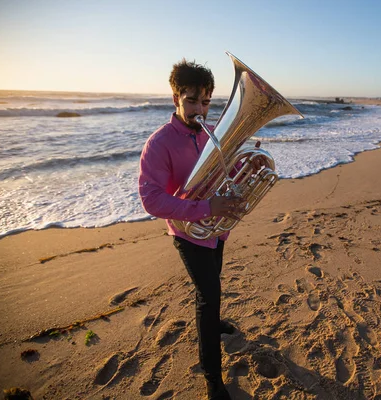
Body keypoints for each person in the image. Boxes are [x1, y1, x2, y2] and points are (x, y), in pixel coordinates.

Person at [139, 59, 259, 400]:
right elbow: (151, 199)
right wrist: (206, 208)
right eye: (192, 101)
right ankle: (212, 380)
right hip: (187, 233)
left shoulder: (215, 134)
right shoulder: (160, 143)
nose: (200, 109)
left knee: (213, 283)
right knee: (209, 296)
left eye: (206, 102)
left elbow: (229, 169)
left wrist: (246, 167)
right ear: (175, 98)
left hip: (217, 230)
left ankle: (216, 322)